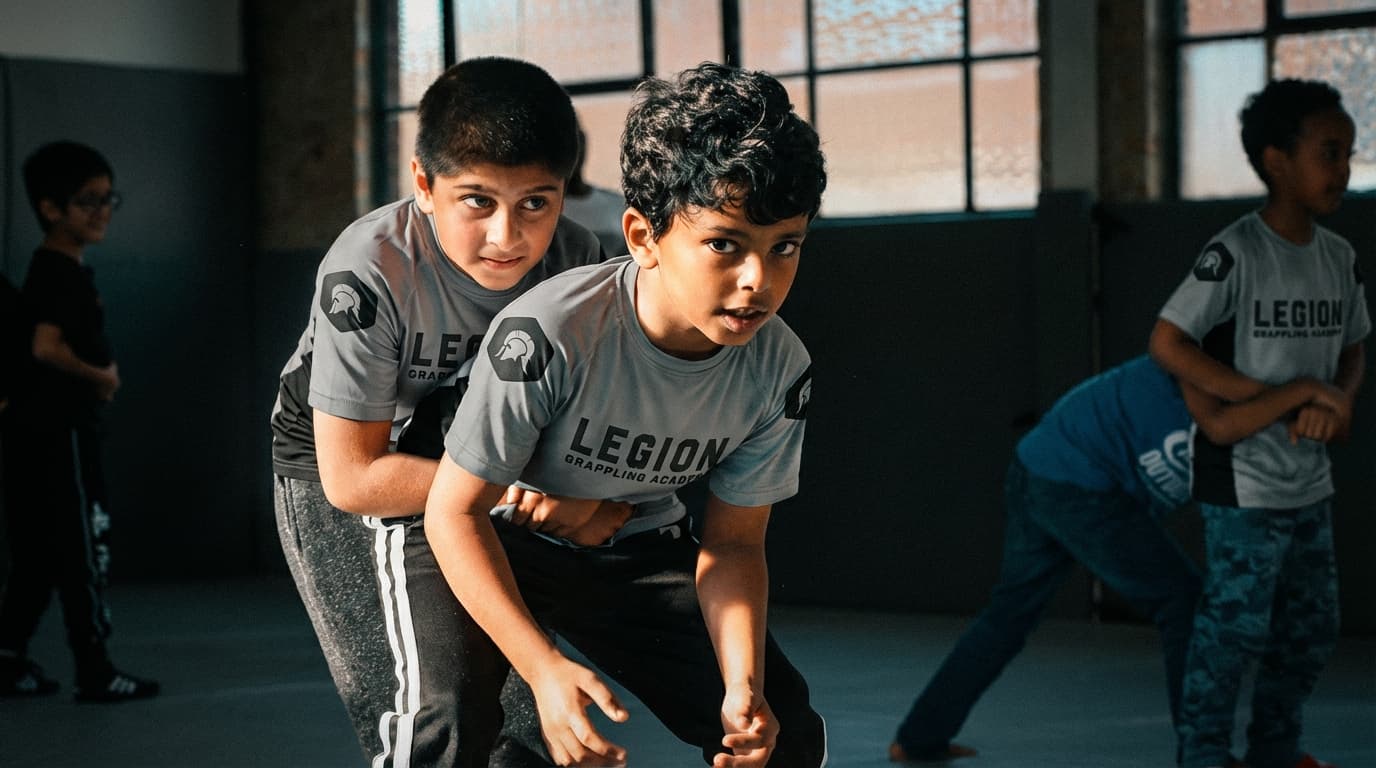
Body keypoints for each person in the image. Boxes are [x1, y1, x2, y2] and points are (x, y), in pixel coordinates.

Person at [423, 62, 830, 768]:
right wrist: (544, 671)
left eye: (784, 246)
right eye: (724, 245)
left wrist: (741, 685)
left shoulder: (778, 369)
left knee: (783, 732)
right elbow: (453, 514)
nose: (757, 280)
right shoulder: (549, 334)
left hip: (632, 547)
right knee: (471, 731)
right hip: (496, 541)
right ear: (642, 237)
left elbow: (733, 545)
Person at [269, 57, 617, 767]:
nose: (506, 237)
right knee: (439, 707)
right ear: (425, 186)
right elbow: (353, 477)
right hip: (346, 463)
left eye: (535, 204)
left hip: (479, 466)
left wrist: (592, 499)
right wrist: (507, 488)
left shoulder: (579, 267)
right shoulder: (369, 269)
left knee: (530, 715)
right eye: (478, 202)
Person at [888, 355, 1351, 765]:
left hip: (1040, 466)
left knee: (1008, 616)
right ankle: (1201, 754)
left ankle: (919, 739)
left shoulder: (1243, 396)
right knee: (1182, 601)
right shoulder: (1204, 383)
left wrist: (1317, 401)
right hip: (1071, 482)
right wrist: (1303, 396)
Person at [1148, 78, 1369, 768]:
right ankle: (1205, 756)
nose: (1344, 168)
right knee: (1234, 630)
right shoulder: (1237, 251)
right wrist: (1270, 393)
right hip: (1244, 483)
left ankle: (1277, 750)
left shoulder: (1337, 257)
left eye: (1349, 153)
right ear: (1277, 161)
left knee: (1309, 631)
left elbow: (1355, 345)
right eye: (1329, 152)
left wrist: (1339, 397)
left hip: (1309, 484)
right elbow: (1169, 341)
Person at [0, 141, 159, 702]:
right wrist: (102, 376)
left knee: (42, 553)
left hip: (46, 430)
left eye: (106, 198)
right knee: (82, 549)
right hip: (59, 432)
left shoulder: (58, 269)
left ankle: (8, 655)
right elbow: (45, 347)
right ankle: (95, 668)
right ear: (50, 209)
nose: (102, 211)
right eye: (86, 202)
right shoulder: (57, 272)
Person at [561, 124, 627, 255]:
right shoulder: (541, 213)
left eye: (576, 139)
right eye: (562, 142)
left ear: (584, 140)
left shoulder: (618, 205)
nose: (573, 149)